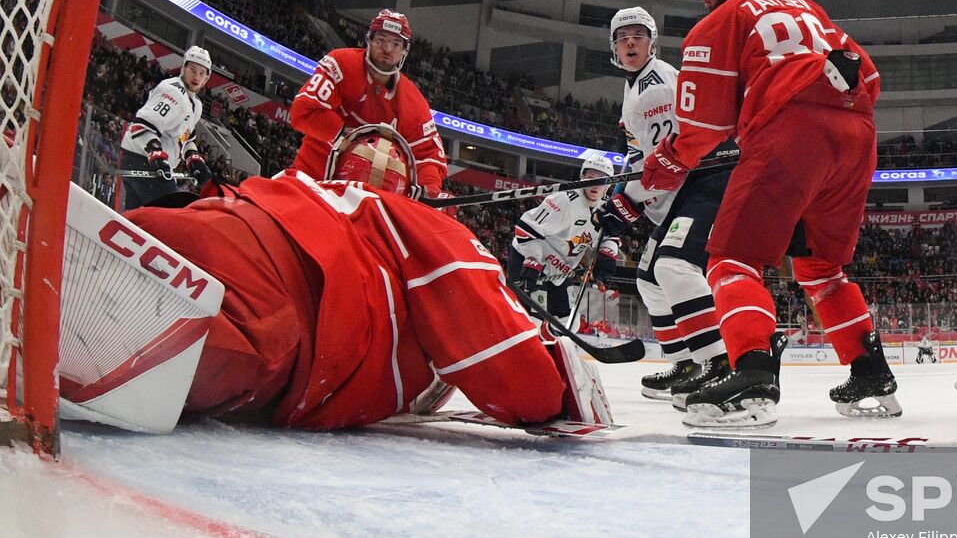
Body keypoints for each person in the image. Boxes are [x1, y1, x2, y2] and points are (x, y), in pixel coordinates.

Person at [117, 135, 607, 430]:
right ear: (408, 188)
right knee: (216, 349)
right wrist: (557, 390)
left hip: (217, 222)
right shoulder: (420, 221)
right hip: (285, 311)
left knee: (156, 243)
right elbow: (506, 364)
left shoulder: (304, 182)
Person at [640, 0, 898, 428]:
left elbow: (703, 129)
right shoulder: (809, 7)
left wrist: (668, 162)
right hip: (858, 133)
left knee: (731, 260)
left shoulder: (716, 23)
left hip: (792, 132)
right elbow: (869, 76)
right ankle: (870, 372)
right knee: (820, 266)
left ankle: (753, 375)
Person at [601, 7, 728, 403]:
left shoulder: (655, 88)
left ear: (652, 43)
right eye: (623, 38)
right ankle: (687, 361)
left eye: (639, 35)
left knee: (672, 268)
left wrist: (627, 201)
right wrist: (623, 195)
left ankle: (717, 363)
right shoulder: (636, 85)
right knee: (649, 280)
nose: (631, 42)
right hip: (680, 191)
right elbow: (644, 159)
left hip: (700, 185)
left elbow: (670, 160)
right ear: (615, 49)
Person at [289, 9, 447, 198]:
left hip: (370, 202)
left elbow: (428, 156)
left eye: (396, 44)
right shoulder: (341, 63)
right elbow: (303, 111)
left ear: (404, 51)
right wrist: (346, 138)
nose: (387, 49)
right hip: (311, 181)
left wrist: (429, 190)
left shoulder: (414, 102)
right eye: (381, 40)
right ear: (369, 40)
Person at [508, 152, 623, 319]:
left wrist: (608, 253)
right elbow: (526, 228)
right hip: (528, 262)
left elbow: (609, 234)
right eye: (591, 178)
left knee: (566, 321)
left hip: (560, 269)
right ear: (582, 177)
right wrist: (532, 260)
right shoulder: (564, 200)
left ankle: (551, 342)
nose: (596, 186)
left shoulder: (604, 207)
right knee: (525, 319)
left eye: (602, 181)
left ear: (608, 185)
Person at [119, 45, 214, 210]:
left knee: (136, 223)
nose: (196, 76)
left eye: (201, 73)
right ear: (183, 68)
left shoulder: (196, 104)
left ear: (206, 78)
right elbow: (142, 126)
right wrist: (156, 155)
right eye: (192, 70)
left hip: (145, 163)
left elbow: (186, 137)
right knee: (172, 217)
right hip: (144, 163)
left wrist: (193, 158)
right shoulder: (173, 91)